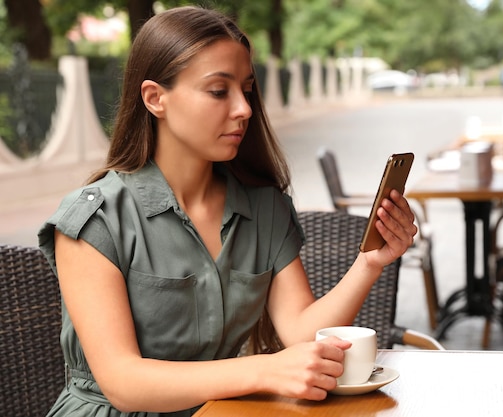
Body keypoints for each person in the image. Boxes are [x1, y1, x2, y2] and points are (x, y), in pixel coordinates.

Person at [38, 6, 417, 417]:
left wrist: (370, 262)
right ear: (155, 98)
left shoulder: (264, 207)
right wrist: (265, 370)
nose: (244, 109)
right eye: (219, 91)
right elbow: (124, 383)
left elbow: (298, 333)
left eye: (247, 89)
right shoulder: (96, 219)